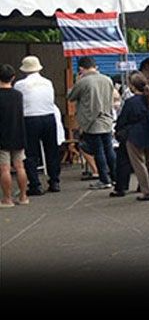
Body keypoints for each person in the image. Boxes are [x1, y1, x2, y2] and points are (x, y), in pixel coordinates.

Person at [67, 56, 117, 190]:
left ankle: (104, 179)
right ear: (95, 66)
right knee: (109, 149)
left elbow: (70, 97)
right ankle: (115, 177)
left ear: (81, 69)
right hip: (107, 119)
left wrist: (76, 81)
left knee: (98, 151)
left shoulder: (83, 81)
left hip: (92, 121)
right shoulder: (107, 79)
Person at [115, 72, 149, 201]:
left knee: (139, 163)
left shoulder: (130, 102)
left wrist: (119, 131)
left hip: (135, 136)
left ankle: (146, 191)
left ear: (132, 86)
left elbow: (123, 120)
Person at [14, 56, 61, 194]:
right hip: (48, 117)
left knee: (31, 153)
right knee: (51, 151)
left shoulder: (20, 85)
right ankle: (55, 181)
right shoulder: (48, 82)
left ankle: (35, 185)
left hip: (29, 118)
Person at [0, 64, 30, 208]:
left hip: (2, 135)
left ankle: (7, 199)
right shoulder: (18, 95)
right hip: (18, 133)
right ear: (13, 78)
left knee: (4, 169)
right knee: (20, 166)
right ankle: (23, 196)